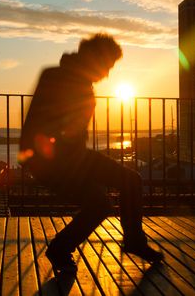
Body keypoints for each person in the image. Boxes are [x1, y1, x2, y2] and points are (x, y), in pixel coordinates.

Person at [19, 33, 163, 274]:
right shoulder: (59, 79)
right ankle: (59, 249)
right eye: (106, 66)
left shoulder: (76, 83)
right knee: (99, 203)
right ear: (91, 59)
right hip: (50, 161)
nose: (106, 73)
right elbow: (52, 129)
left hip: (71, 157)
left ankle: (134, 243)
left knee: (130, 181)